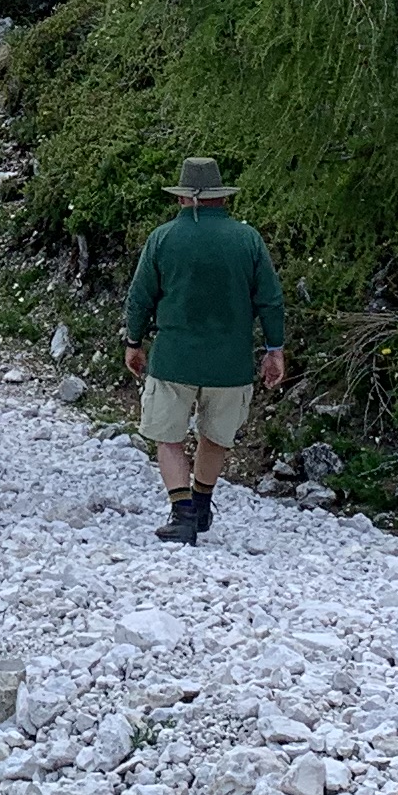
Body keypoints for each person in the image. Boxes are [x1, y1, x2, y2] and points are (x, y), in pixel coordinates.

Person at [119, 156, 287, 545]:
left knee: (168, 436)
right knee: (216, 435)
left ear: (183, 198)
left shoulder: (162, 238)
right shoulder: (248, 240)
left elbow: (140, 298)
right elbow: (271, 300)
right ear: (221, 198)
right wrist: (274, 349)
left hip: (174, 357)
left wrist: (133, 342)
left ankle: (182, 515)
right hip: (231, 364)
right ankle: (203, 503)